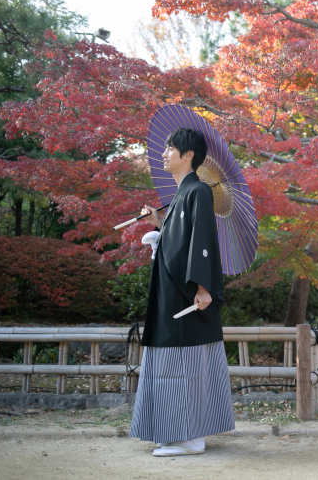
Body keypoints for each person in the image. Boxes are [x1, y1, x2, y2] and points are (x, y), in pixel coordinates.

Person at [129, 128, 235, 456]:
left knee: (183, 366)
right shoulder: (181, 195)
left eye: (169, 149)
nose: (164, 154)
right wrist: (160, 226)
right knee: (171, 365)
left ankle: (190, 437)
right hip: (171, 295)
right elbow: (179, 242)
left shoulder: (198, 192)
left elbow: (201, 241)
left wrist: (204, 287)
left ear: (188, 155)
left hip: (187, 296)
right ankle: (176, 432)